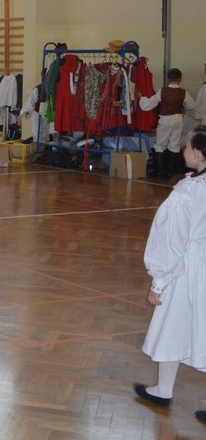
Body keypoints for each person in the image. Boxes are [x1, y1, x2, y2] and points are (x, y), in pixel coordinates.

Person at [133, 126, 206, 424]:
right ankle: (162, 390)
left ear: (198, 154)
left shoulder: (187, 192)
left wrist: (159, 281)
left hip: (189, 265)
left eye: (187, 146)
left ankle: (164, 389)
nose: (183, 150)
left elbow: (172, 240)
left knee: (173, 321)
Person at [140, 68, 195, 177]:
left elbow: (150, 104)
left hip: (165, 119)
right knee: (174, 144)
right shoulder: (183, 92)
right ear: (180, 79)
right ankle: (169, 171)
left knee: (160, 144)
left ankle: (158, 170)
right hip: (178, 119)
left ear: (167, 78)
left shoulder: (163, 91)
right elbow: (191, 105)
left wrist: (141, 98)